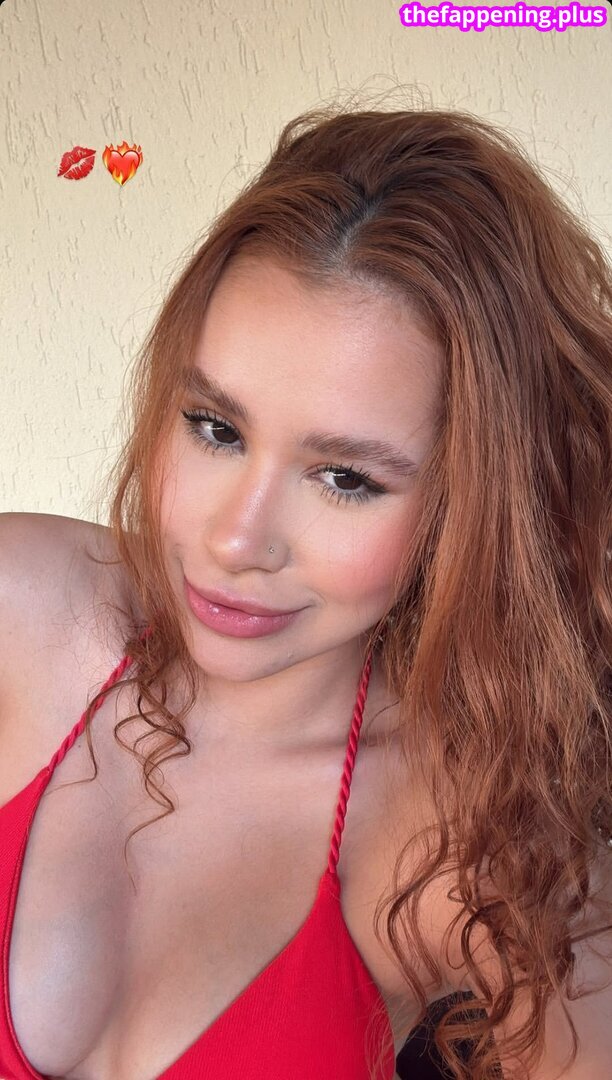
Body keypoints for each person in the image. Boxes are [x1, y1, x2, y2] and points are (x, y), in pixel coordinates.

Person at [0, 101, 610, 1080]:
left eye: (346, 479)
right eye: (215, 428)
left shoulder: (458, 838)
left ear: (472, 506)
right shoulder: (21, 609)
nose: (236, 540)